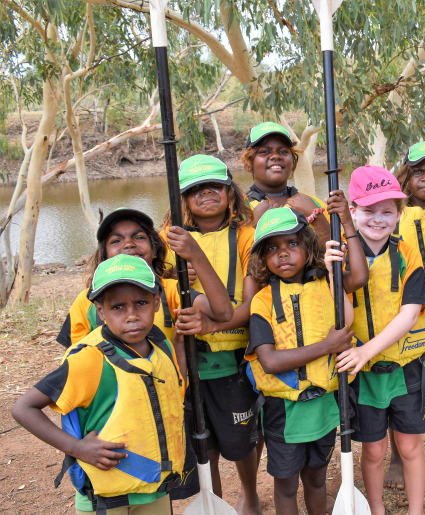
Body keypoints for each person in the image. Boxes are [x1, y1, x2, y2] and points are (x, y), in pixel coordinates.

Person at [54, 207, 233, 502]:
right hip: (113, 418)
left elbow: (223, 312)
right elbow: (75, 368)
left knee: (161, 485)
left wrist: (195, 255)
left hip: (167, 411)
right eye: (116, 240)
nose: (128, 244)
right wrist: (76, 443)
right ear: (103, 253)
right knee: (116, 485)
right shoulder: (86, 304)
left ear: (153, 246)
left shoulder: (171, 290)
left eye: (138, 236)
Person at [12, 254, 187, 514]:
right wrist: (78, 448)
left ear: (157, 302)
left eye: (141, 303)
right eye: (118, 307)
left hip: (154, 488)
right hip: (105, 497)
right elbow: (23, 408)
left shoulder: (161, 347)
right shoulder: (89, 359)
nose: (131, 316)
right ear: (100, 310)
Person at [244, 204, 367, 515]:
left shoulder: (327, 283)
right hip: (285, 412)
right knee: (286, 485)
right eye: (272, 248)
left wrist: (345, 226)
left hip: (324, 404)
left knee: (316, 477)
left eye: (292, 244)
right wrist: (326, 346)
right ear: (262, 257)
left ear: (308, 245)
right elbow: (269, 361)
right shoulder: (261, 302)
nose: (283, 254)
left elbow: (359, 278)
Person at [335, 165, 425, 515]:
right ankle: (376, 508)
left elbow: (410, 314)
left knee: (409, 447)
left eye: (387, 211)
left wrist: (366, 350)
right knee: (374, 450)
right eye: (368, 210)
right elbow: (341, 317)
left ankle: (416, 510)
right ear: (352, 212)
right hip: (363, 374)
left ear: (398, 214)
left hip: (404, 367)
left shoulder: (407, 254)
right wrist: (334, 276)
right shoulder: (339, 257)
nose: (378, 219)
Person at [164, 154, 261, 514]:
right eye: (194, 190)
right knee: (207, 448)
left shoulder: (247, 237)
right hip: (190, 362)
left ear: (230, 192)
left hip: (233, 358)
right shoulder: (169, 239)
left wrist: (214, 324)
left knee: (241, 442)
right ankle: (214, 502)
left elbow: (252, 303)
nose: (206, 194)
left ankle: (250, 495)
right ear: (184, 201)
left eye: (214, 187)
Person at [241, 122, 331, 244]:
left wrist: (319, 220)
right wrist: (253, 227)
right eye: (264, 151)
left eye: (283, 152)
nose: (276, 156)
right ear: (249, 163)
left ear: (293, 163)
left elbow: (341, 257)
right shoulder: (239, 208)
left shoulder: (315, 205)